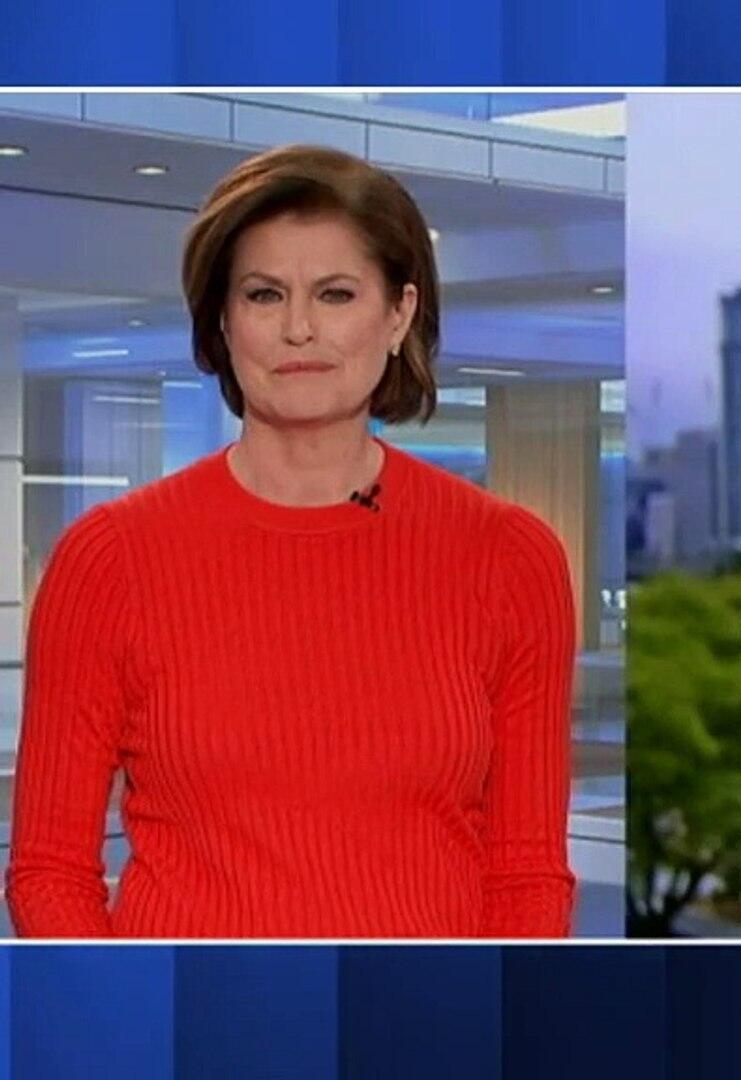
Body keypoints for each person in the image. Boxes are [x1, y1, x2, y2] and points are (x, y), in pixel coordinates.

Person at [5, 145, 577, 937]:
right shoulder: (110, 559)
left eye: (336, 294)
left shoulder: (509, 558)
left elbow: (526, 877)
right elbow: (49, 872)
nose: (298, 329)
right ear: (223, 319)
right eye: (264, 294)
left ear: (399, 313)